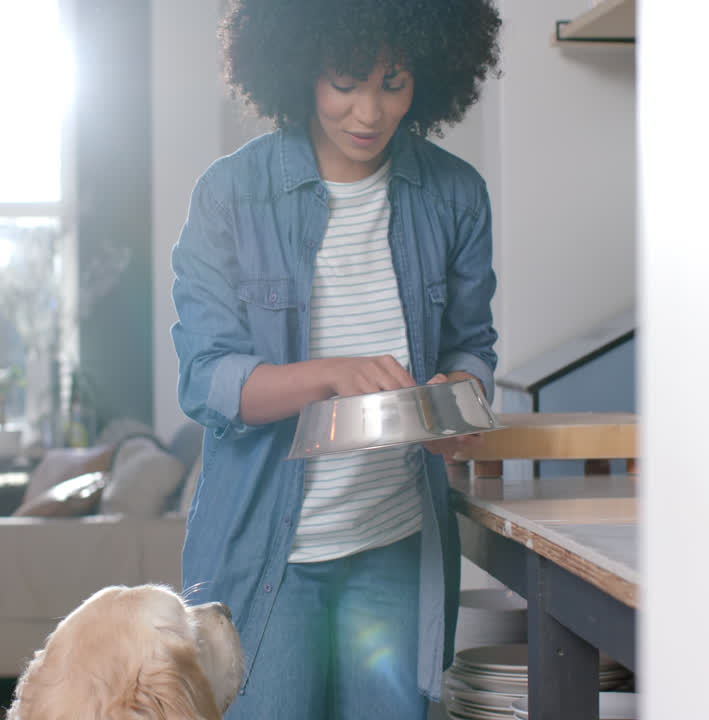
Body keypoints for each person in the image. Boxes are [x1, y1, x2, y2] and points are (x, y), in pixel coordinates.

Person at [169, 0, 502, 717]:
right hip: (267, 556)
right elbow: (207, 381)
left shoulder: (456, 196)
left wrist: (462, 398)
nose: (370, 111)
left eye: (395, 82)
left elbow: (470, 345)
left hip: (394, 543)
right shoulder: (230, 194)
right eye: (345, 81)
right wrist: (332, 373)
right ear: (300, 68)